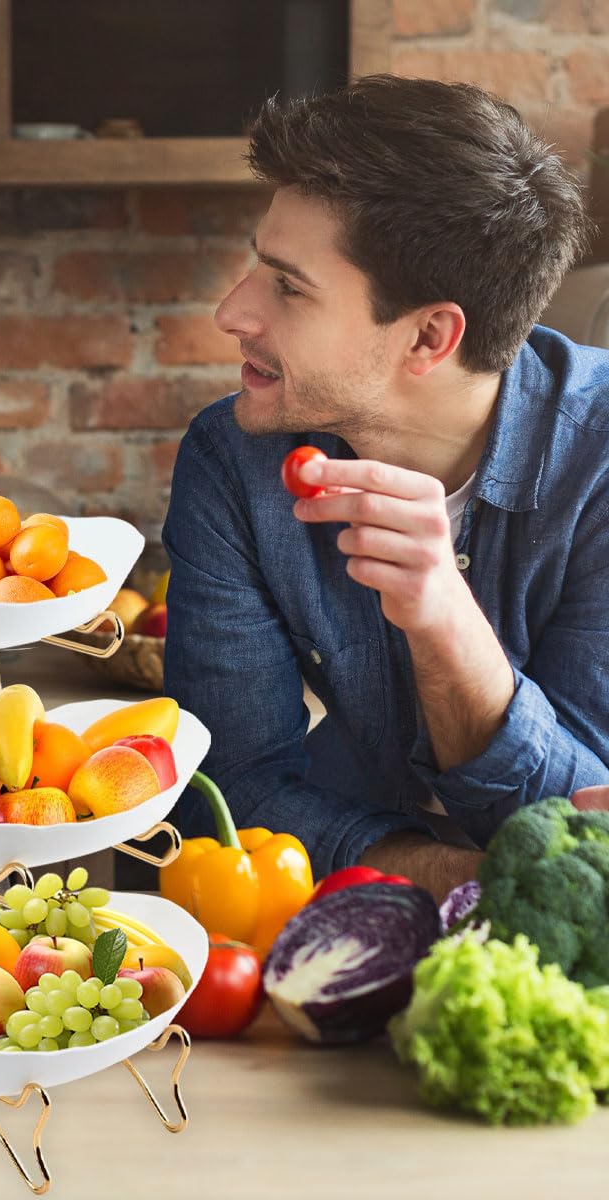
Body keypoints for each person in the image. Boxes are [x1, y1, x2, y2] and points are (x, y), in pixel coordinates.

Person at [162, 74, 609, 901]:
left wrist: (445, 624)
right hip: (331, 923)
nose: (232, 312)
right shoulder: (234, 461)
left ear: (430, 336)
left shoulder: (601, 465)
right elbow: (224, 796)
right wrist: (453, 878)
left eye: (288, 285)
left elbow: (592, 841)